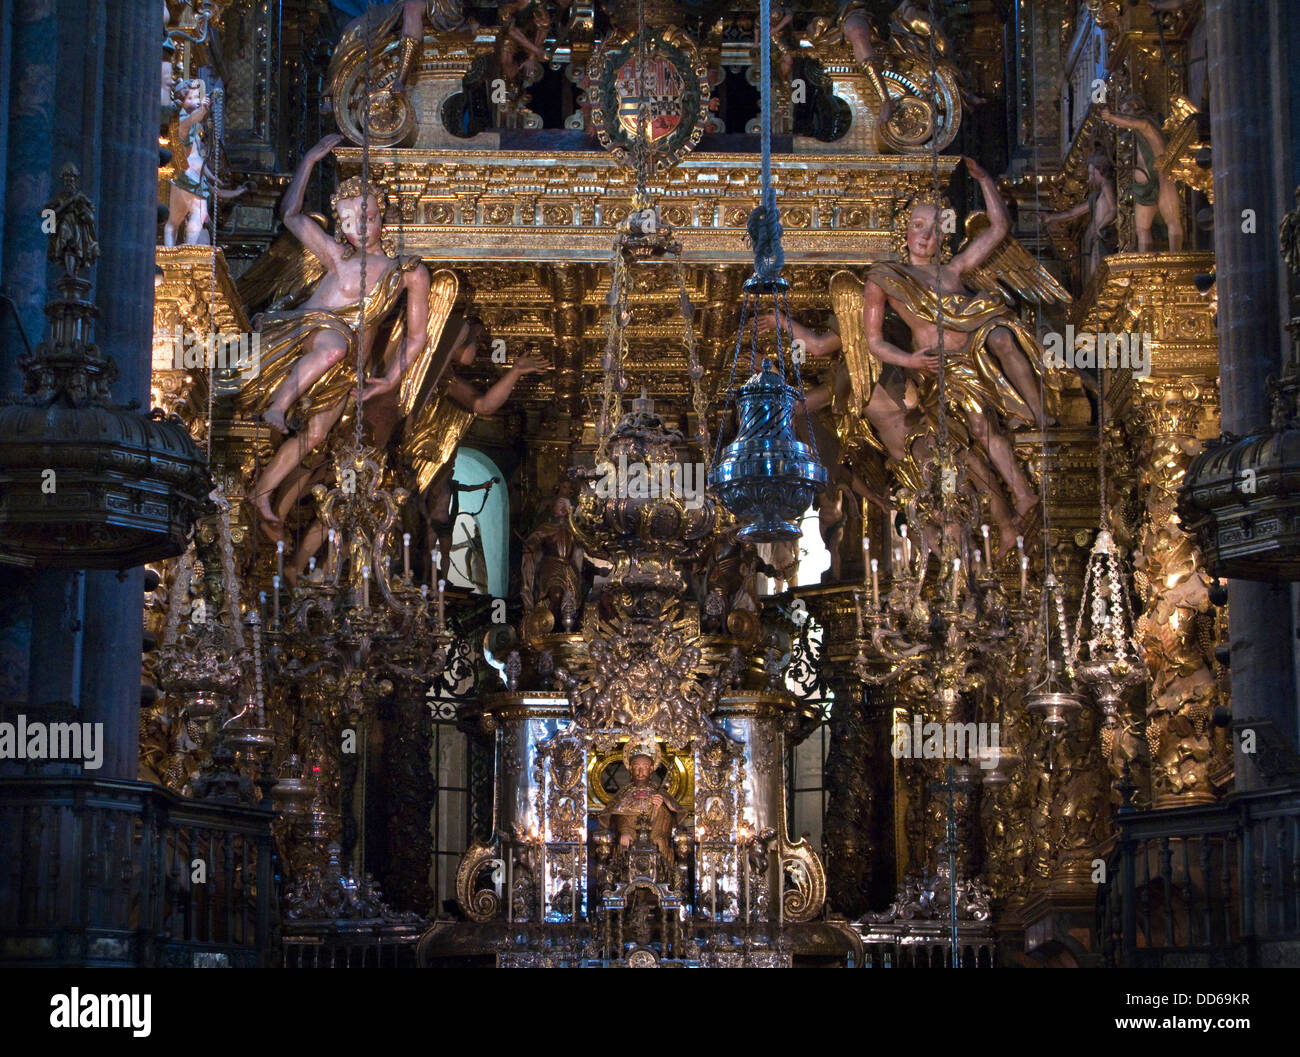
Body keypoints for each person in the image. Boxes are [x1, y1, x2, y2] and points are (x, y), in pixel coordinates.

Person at [1100, 96, 1184, 253]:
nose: (1123, 115)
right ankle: (1146, 261)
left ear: (1136, 108)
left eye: (1125, 111)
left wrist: (1111, 117)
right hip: (1144, 187)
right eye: (1121, 112)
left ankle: (1176, 255)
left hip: (1162, 179)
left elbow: (1132, 123)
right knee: (1142, 228)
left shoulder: (1147, 124)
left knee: (1172, 219)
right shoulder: (1135, 134)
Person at [600, 740, 681, 864]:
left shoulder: (659, 793)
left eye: (644, 768)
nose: (640, 772)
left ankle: (661, 874)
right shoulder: (624, 794)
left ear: (651, 769)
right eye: (637, 767)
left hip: (654, 836)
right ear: (630, 768)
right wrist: (625, 831)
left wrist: (662, 807)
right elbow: (618, 817)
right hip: (631, 837)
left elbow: (673, 817)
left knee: (659, 842)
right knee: (624, 843)